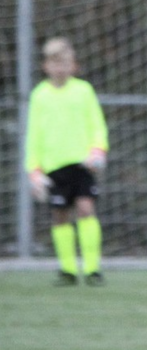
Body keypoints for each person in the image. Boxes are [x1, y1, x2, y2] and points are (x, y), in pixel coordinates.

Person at [25, 36, 108, 287]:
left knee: (85, 208)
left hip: (82, 164)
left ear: (73, 65)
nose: (60, 68)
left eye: (64, 63)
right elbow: (33, 134)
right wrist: (33, 169)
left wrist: (98, 150)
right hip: (54, 167)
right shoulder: (40, 95)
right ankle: (68, 269)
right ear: (46, 66)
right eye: (55, 63)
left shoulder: (83, 91)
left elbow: (97, 123)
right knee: (60, 215)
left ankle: (92, 268)